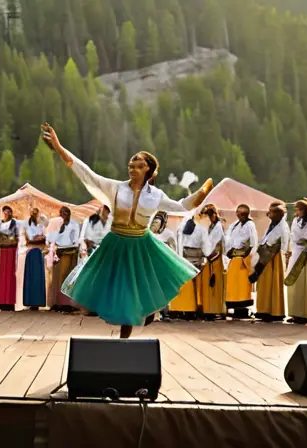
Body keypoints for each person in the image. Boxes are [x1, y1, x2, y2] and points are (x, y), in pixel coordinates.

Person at [43, 124, 212, 338]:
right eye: (131, 165)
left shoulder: (155, 195)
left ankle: (133, 328)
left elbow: (181, 207)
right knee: (120, 289)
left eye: (138, 166)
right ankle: (127, 331)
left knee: (138, 287)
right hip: (116, 243)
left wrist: (202, 192)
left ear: (148, 171)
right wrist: (58, 147)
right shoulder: (115, 187)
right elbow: (86, 173)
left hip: (142, 244)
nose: (132, 169)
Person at [249, 201, 290, 322]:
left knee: (273, 284)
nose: (268, 214)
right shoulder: (273, 225)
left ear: (278, 214)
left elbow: (283, 245)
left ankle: (275, 311)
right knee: (264, 284)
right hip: (266, 257)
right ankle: (264, 310)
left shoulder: (282, 227)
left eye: (271, 212)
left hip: (274, 259)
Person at [171, 213, 212, 319]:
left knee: (183, 284)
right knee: (194, 285)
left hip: (183, 258)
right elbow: (206, 247)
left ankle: (179, 309)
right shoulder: (201, 229)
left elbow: (178, 244)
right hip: (195, 259)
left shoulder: (181, 227)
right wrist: (208, 256)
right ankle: (191, 309)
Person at [224, 204, 258, 319]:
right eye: (239, 212)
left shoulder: (250, 225)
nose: (241, 215)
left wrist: (248, 258)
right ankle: (235, 307)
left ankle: (243, 309)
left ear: (248, 214)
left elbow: (253, 242)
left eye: (243, 213)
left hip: (244, 258)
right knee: (233, 284)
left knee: (242, 286)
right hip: (234, 257)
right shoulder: (235, 225)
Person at [49, 206, 81, 312]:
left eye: (66, 213)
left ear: (69, 214)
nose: (64, 215)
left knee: (66, 276)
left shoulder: (74, 225)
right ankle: (57, 302)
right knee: (56, 278)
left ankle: (67, 303)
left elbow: (75, 240)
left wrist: (66, 247)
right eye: (62, 213)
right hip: (58, 252)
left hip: (69, 252)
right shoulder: (57, 224)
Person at [199, 204, 226, 320]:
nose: (209, 218)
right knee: (209, 283)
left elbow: (212, 242)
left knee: (215, 282)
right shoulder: (211, 226)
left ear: (215, 214)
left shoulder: (218, 227)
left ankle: (215, 310)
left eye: (210, 215)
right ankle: (208, 308)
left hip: (215, 256)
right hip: (209, 256)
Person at [22, 208, 48, 310]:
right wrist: (37, 238)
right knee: (30, 276)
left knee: (38, 277)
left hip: (39, 252)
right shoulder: (26, 224)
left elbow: (44, 238)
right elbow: (29, 239)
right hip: (30, 252)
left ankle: (37, 302)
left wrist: (38, 238)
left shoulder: (41, 224)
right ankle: (30, 301)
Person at [0, 205, 20, 311]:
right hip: (2, 250)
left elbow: (15, 239)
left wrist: (7, 241)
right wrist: (6, 240)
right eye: (5, 211)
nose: (7, 213)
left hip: (11, 251)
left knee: (10, 274)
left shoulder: (15, 224)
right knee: (1, 275)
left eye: (9, 211)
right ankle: (1, 301)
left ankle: (9, 302)